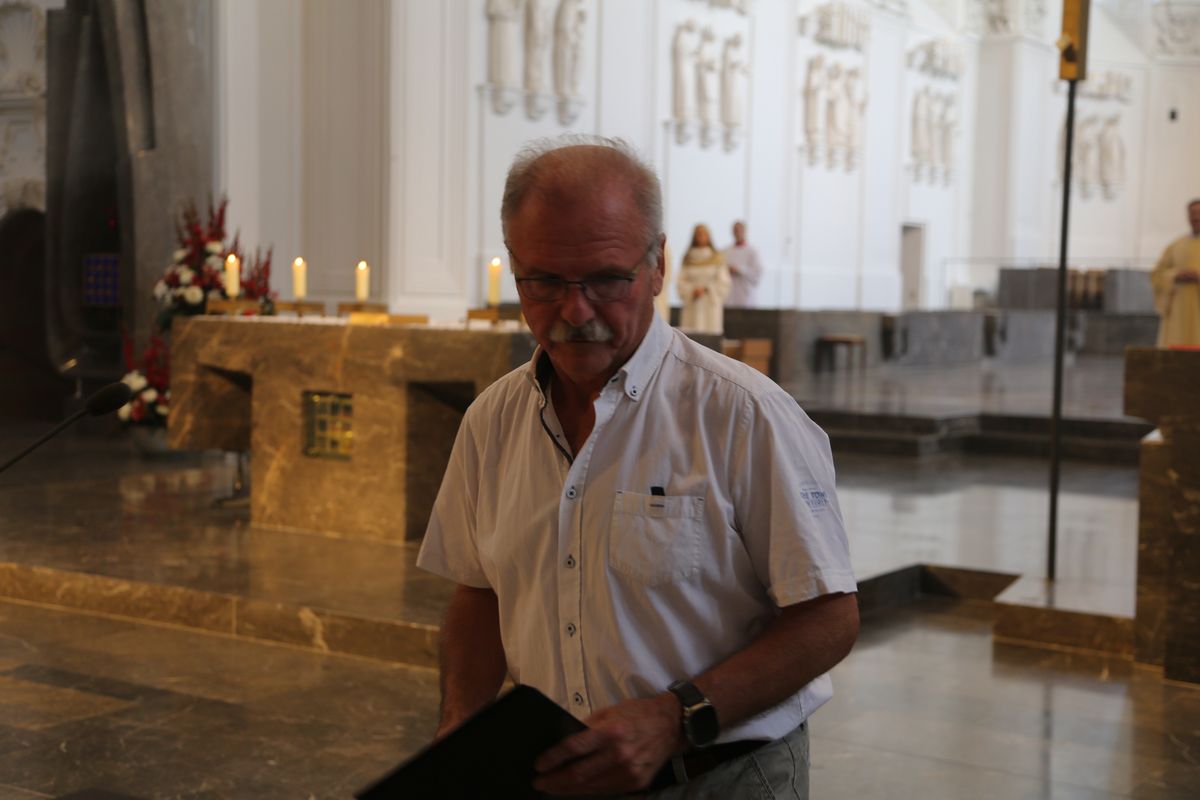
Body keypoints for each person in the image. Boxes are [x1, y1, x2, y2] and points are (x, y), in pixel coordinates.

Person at [417, 136, 858, 798]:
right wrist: (459, 731)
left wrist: (675, 718)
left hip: (721, 777)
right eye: (544, 282)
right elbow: (479, 593)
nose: (575, 310)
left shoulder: (743, 416)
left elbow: (829, 618)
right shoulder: (492, 422)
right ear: (514, 268)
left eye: (605, 280)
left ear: (657, 266)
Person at [1150, 198, 1200, 347]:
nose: (1196, 217)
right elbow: (1157, 274)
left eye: (1199, 213)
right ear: (1188, 216)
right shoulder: (1176, 246)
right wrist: (1175, 275)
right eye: (1193, 214)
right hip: (1178, 312)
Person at [677, 223, 731, 333]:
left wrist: (707, 289)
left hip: (710, 303)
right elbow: (681, 281)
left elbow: (724, 282)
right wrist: (692, 290)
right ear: (694, 237)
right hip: (692, 302)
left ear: (708, 237)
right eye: (698, 234)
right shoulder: (688, 258)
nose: (701, 237)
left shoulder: (717, 257)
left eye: (703, 234)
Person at [721, 220, 763, 308]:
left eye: (740, 230)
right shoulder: (725, 251)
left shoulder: (752, 251)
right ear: (732, 232)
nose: (738, 233)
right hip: (730, 293)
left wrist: (740, 269)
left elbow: (757, 273)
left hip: (745, 292)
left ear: (745, 232)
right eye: (736, 230)